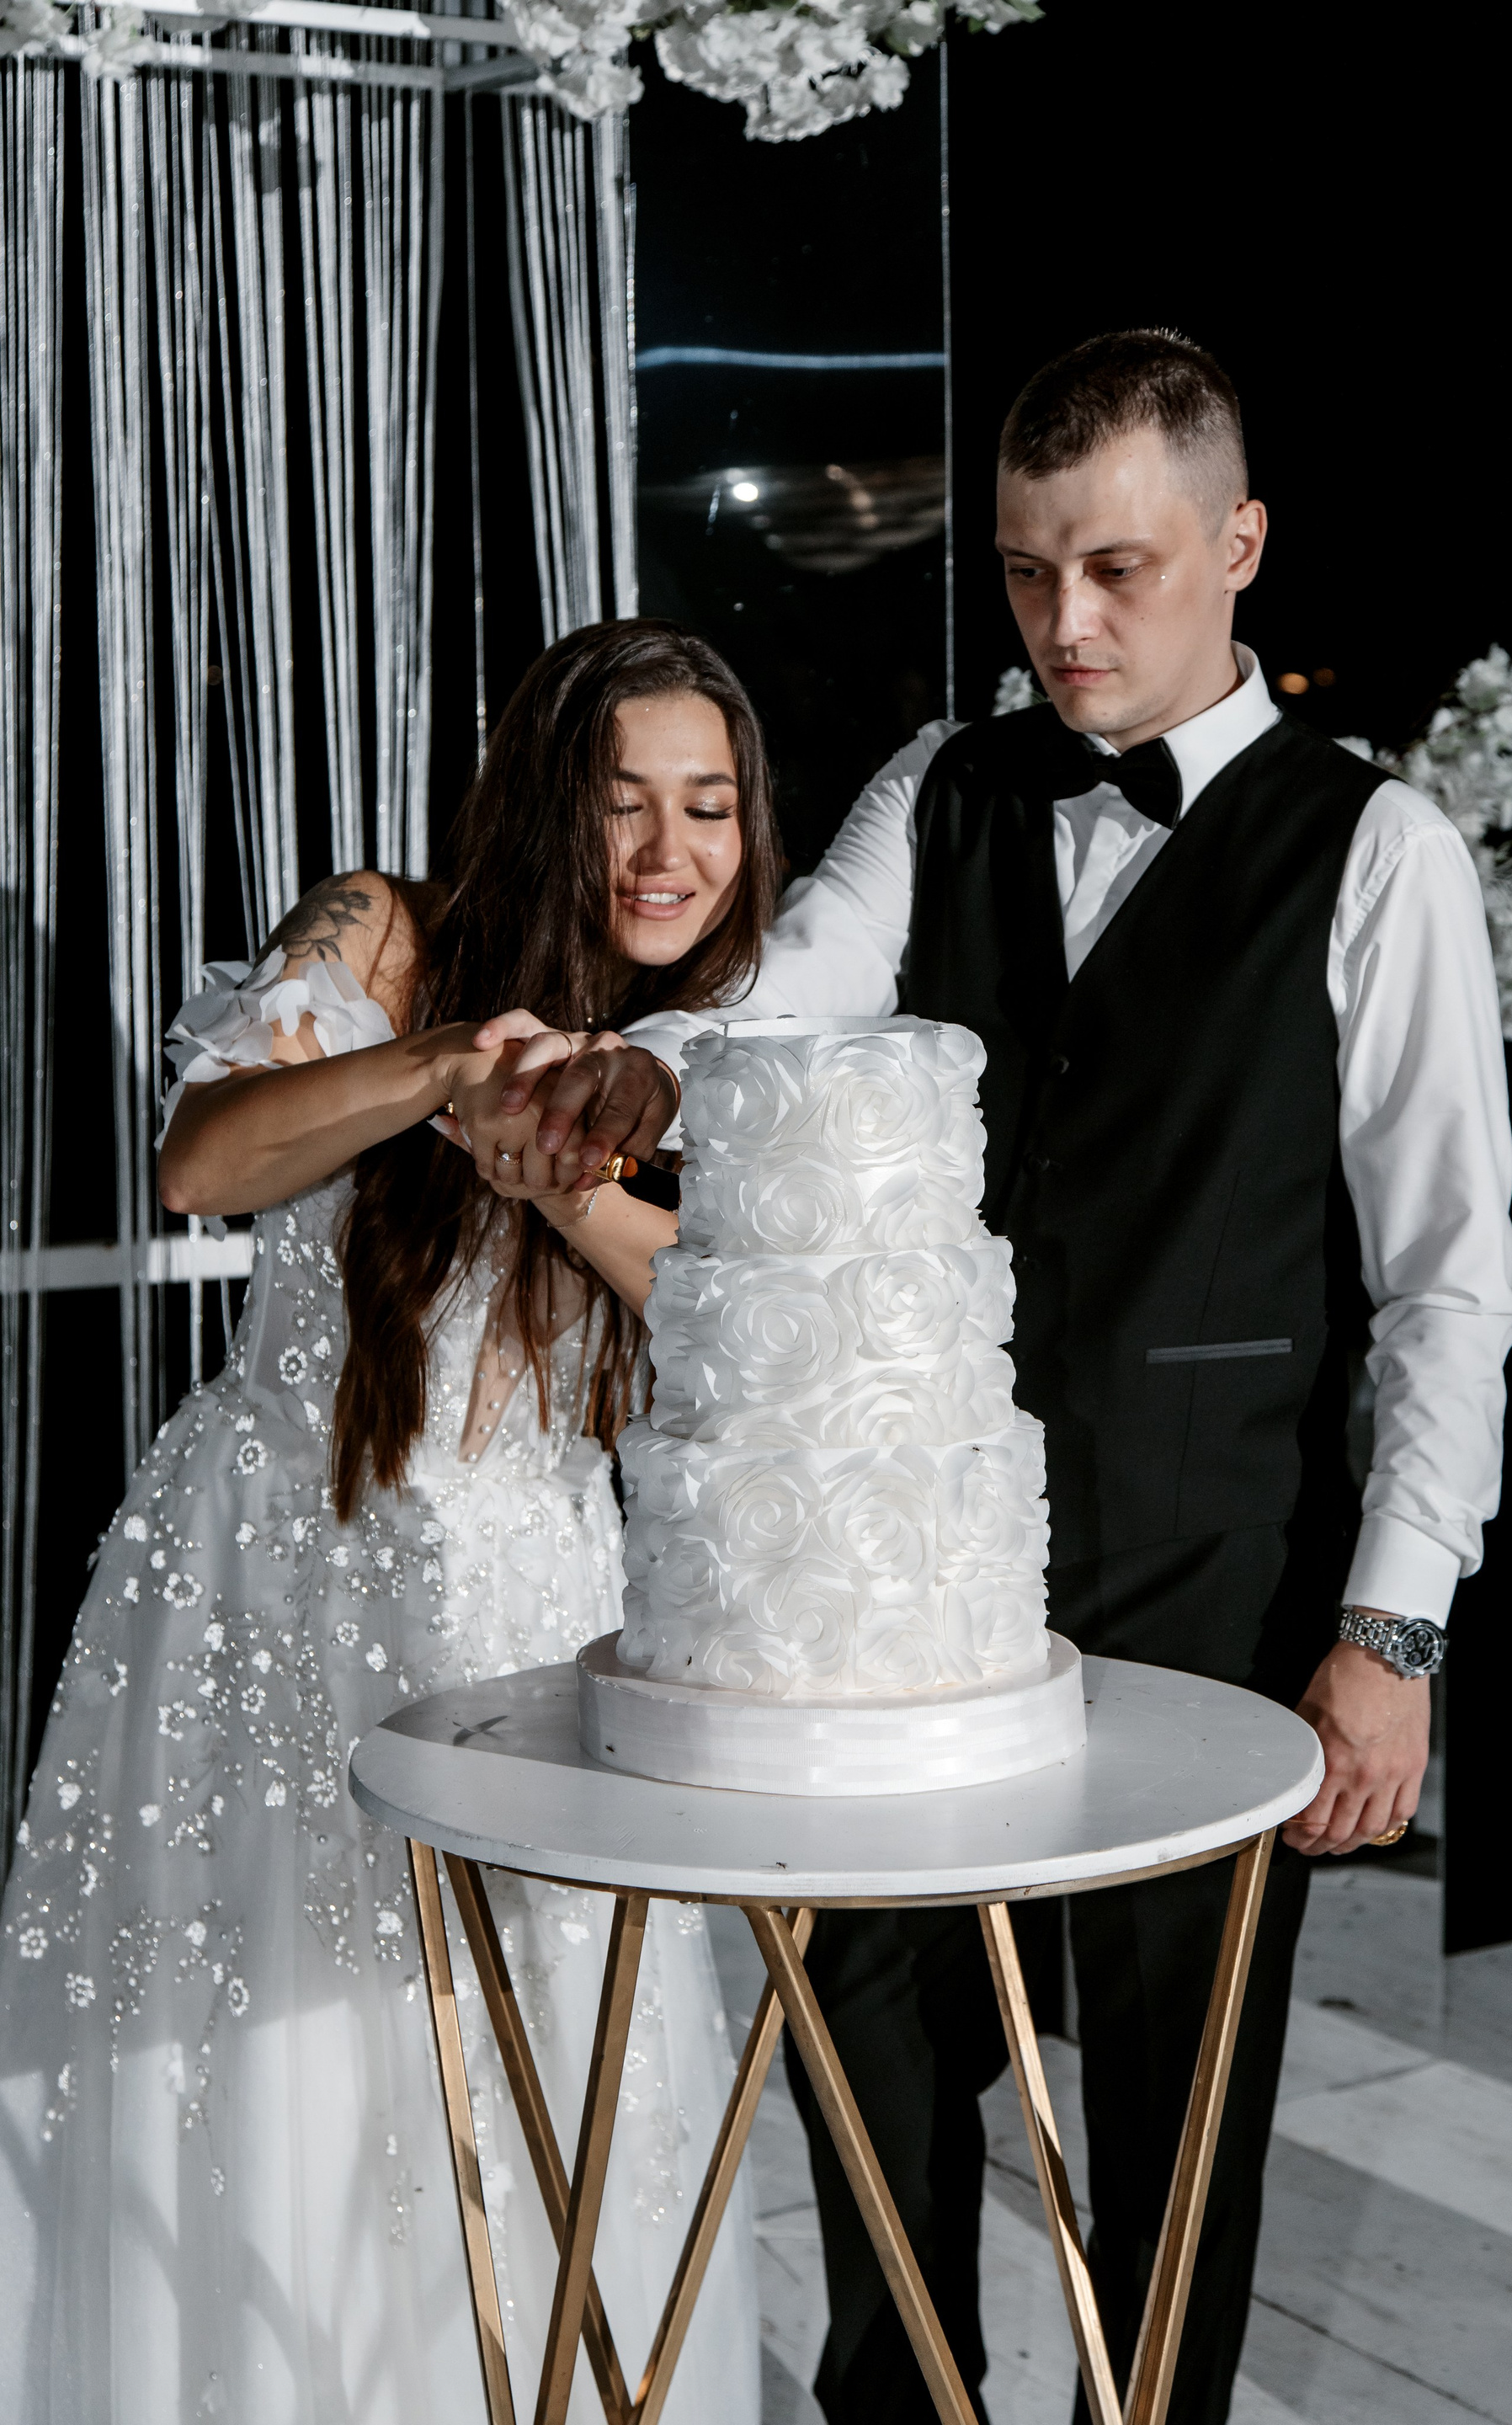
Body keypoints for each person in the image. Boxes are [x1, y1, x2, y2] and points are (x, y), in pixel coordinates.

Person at [474, 333, 1512, 2425]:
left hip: (1216, 1578)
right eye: (1032, 572)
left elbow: (1446, 1284)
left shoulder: (1380, 849)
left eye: (1119, 568)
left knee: (1171, 2130)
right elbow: (785, 993)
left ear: (1240, 545)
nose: (1068, 623)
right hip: (896, 1583)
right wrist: (640, 1069)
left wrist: (1393, 1629)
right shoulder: (943, 784)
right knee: (868, 2067)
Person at [0, 619, 780, 2425]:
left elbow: (726, 1314)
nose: (671, 851)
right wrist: (439, 1069)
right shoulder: (378, 930)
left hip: (524, 1600)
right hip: (259, 1577)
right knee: (257, 2055)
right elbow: (204, 1160)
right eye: (626, 801)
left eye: (712, 805)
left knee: (526, 2075)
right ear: (543, 799)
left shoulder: (718, 1051)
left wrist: (558, 1157)